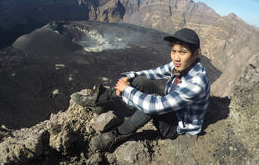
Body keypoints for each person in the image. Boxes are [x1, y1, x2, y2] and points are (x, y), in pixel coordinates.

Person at [71, 28, 210, 151]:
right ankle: (98, 100)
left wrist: (126, 90)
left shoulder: (197, 82)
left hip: (179, 128)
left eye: (183, 52)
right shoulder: (181, 65)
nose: (176, 57)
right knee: (140, 81)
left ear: (196, 54)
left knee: (151, 103)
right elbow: (155, 72)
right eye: (173, 51)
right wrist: (129, 77)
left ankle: (117, 135)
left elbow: (154, 106)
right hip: (172, 108)